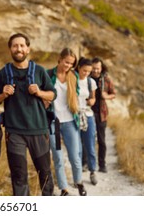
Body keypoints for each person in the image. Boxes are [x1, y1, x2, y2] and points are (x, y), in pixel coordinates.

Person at [0, 33, 56, 196]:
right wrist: (3, 94)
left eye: (22, 45)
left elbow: (52, 95)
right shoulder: (4, 72)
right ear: (10, 49)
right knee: (18, 176)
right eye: (15, 46)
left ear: (28, 48)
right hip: (14, 133)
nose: (18, 49)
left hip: (39, 130)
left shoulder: (39, 71)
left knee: (45, 174)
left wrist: (39, 92)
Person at [47, 48, 87, 196]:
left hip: (70, 121)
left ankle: (79, 182)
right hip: (53, 123)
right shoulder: (48, 74)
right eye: (66, 62)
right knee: (57, 157)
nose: (68, 65)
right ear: (60, 59)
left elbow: (76, 96)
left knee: (74, 156)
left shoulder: (73, 75)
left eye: (71, 63)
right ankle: (64, 188)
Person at [91, 57, 116, 173]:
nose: (95, 71)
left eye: (98, 68)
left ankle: (102, 165)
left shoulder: (106, 79)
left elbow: (113, 94)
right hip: (88, 112)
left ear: (101, 68)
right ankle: (86, 163)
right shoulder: (86, 77)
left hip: (102, 113)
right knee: (88, 139)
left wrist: (107, 96)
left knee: (101, 140)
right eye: (94, 68)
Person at [76, 57, 98, 185]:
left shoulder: (91, 82)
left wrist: (92, 101)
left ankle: (92, 171)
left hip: (88, 115)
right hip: (74, 116)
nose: (86, 74)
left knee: (90, 145)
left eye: (89, 72)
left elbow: (93, 98)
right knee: (77, 147)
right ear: (79, 67)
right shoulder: (72, 80)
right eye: (84, 71)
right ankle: (78, 175)